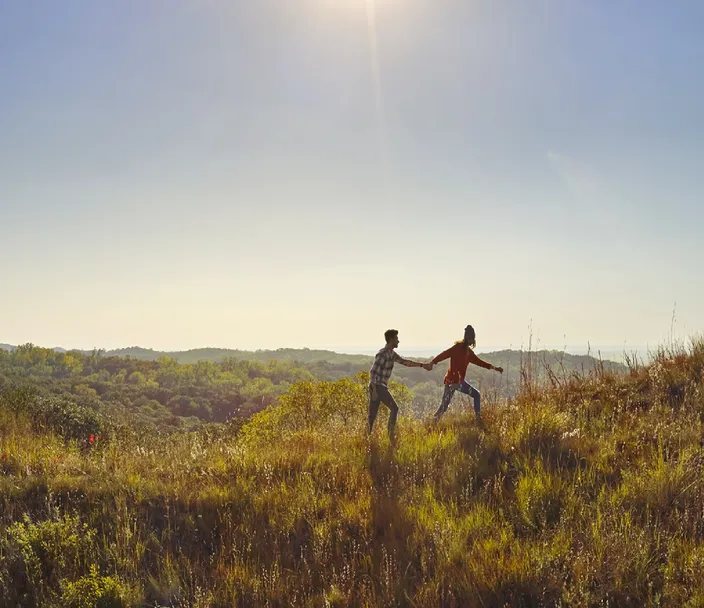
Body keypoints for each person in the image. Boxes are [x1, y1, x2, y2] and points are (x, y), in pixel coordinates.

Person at [428, 325, 503, 422]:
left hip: (452, 382)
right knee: (476, 395)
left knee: (444, 406)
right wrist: (432, 362)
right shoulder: (461, 349)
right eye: (472, 338)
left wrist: (495, 368)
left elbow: (481, 363)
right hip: (456, 382)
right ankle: (478, 419)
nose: (473, 340)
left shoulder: (466, 351)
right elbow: (444, 354)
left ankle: (432, 422)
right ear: (468, 338)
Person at [368, 329, 432, 439]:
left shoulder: (392, 354)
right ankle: (390, 435)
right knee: (393, 408)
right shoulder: (382, 353)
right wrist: (374, 390)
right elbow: (373, 372)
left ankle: (368, 436)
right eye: (397, 339)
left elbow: (406, 362)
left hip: (381, 386)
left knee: (373, 415)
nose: (398, 341)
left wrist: (422, 365)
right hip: (377, 386)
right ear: (391, 339)